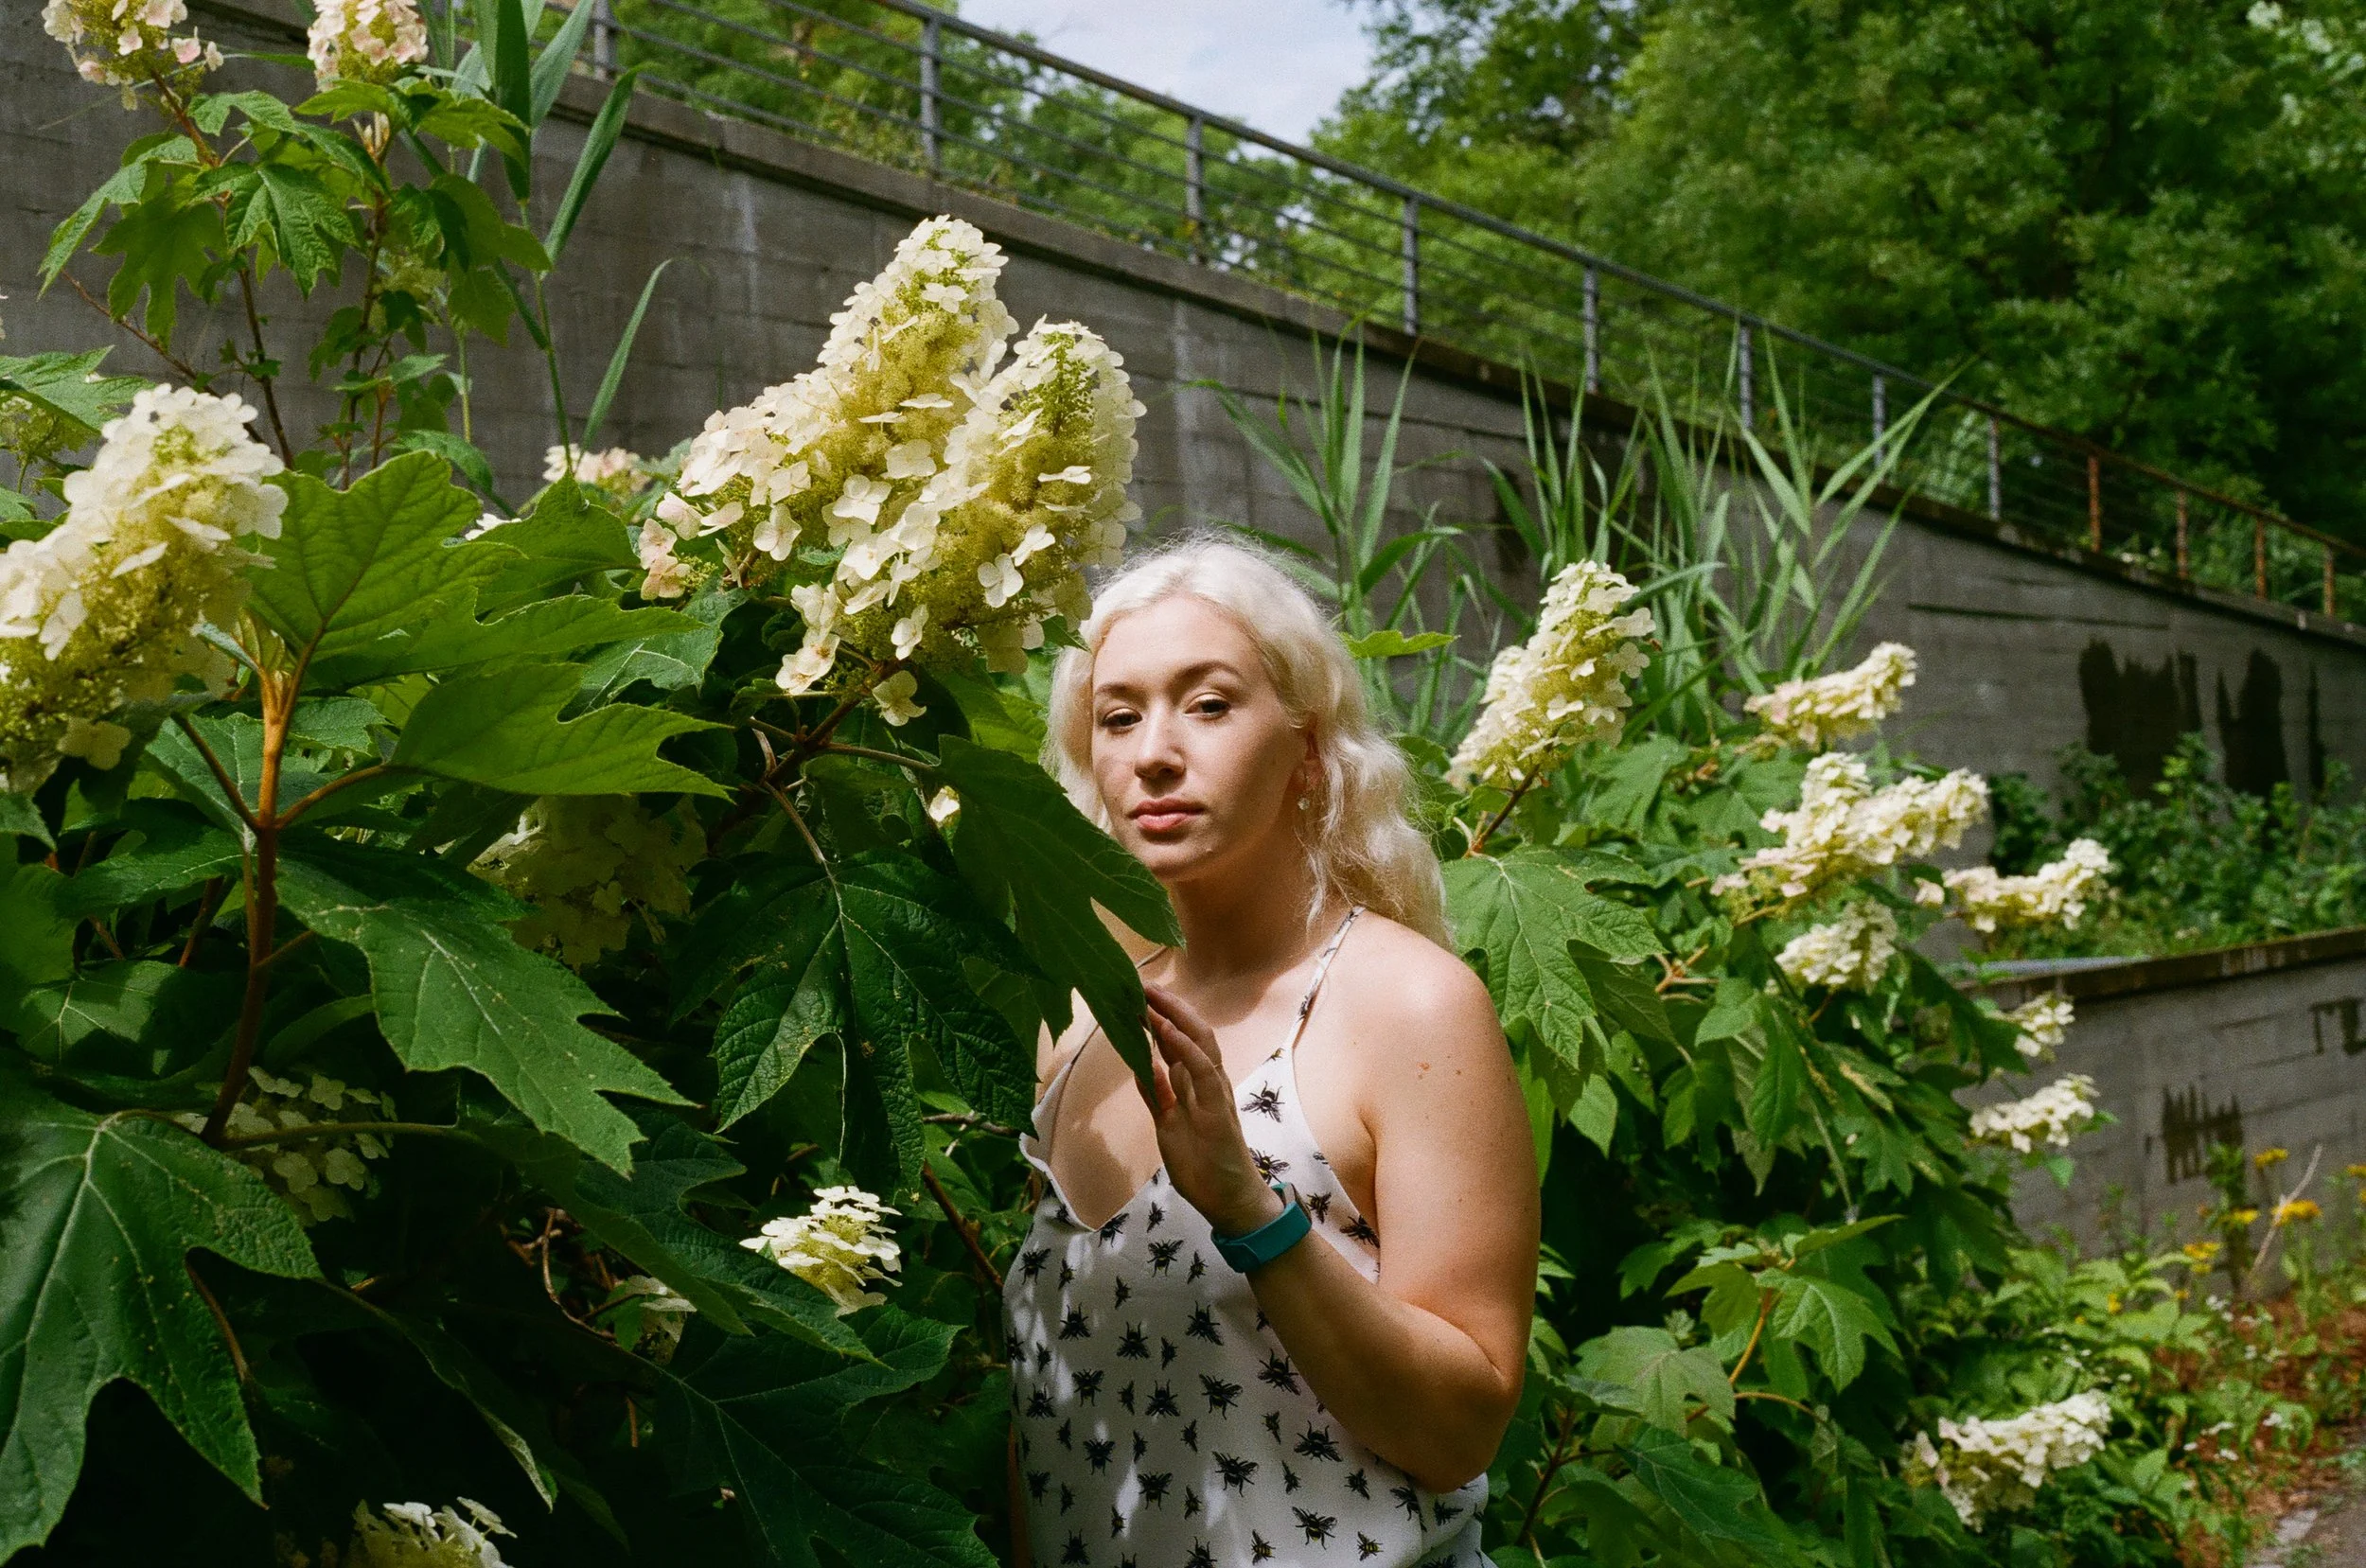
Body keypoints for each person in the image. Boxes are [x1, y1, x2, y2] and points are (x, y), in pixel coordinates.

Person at [1005, 536, 1540, 1567]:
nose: (1155, 751)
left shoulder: (1412, 1007)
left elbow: (1459, 1429)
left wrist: (1251, 1213)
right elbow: (1048, 1420)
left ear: (1306, 751)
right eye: (1117, 717)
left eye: (1207, 705)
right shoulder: (1080, 1017)